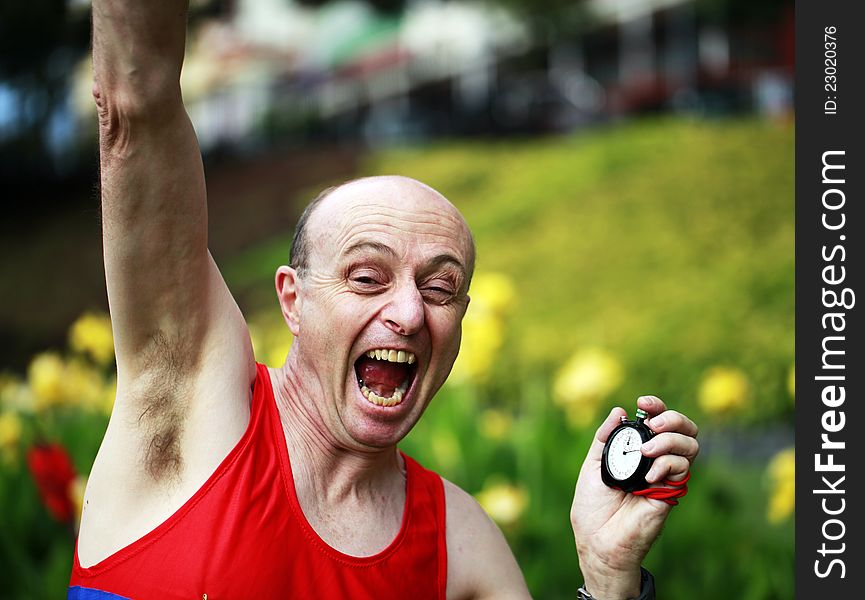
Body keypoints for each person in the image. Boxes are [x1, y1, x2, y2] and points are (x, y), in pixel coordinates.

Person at [70, 2, 700, 599]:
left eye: (440, 288)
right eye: (368, 277)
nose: (409, 314)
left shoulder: (461, 544)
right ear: (292, 299)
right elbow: (134, 106)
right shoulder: (188, 396)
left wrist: (608, 573)